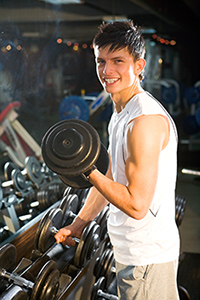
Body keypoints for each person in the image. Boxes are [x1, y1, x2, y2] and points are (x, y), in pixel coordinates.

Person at [55, 20, 180, 300]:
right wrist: (79, 223)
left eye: (118, 61)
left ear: (139, 66)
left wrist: (88, 171)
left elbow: (136, 205)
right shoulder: (120, 113)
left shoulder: (144, 121)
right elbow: (111, 177)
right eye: (101, 61)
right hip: (130, 254)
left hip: (147, 260)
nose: (107, 71)